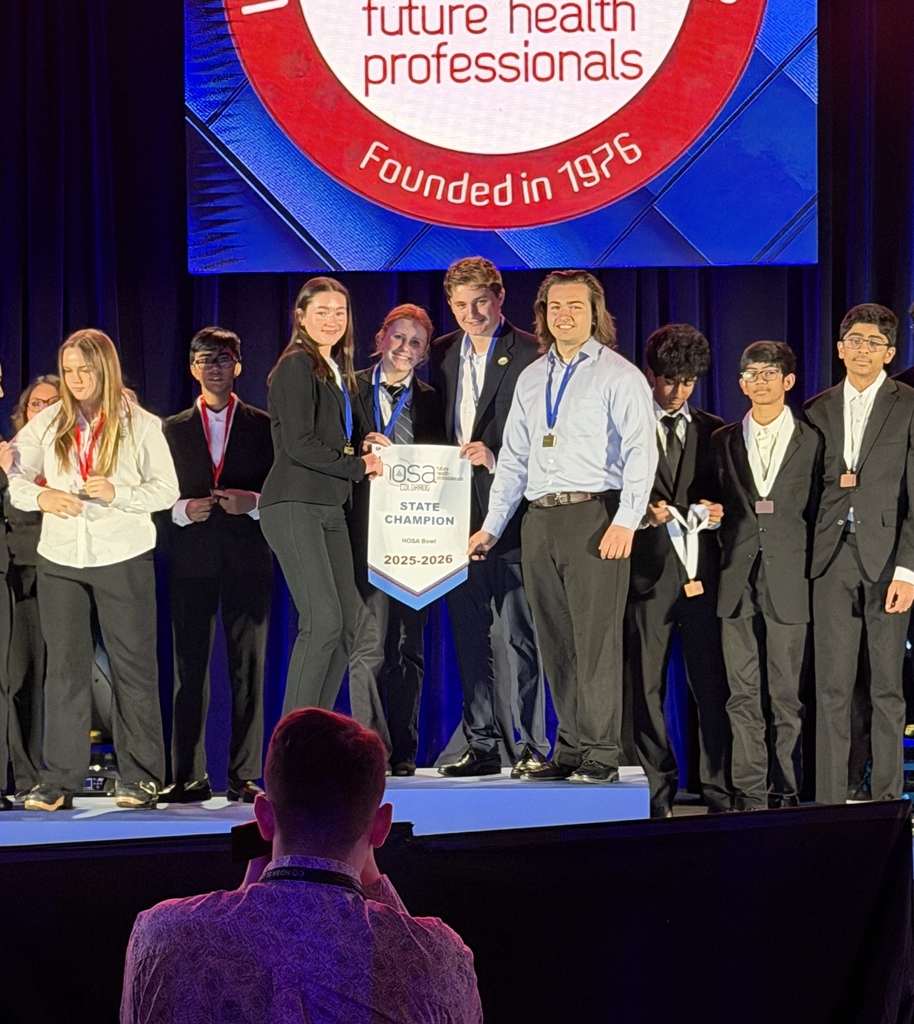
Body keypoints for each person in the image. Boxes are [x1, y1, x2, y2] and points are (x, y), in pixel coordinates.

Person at [121, 708, 483, 1023]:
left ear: (263, 817)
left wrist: (247, 892)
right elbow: (405, 958)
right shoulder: (439, 958)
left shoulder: (162, 934)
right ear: (381, 826)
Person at [469, 270, 657, 783]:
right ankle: (571, 747)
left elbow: (643, 450)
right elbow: (513, 460)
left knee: (595, 640)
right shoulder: (532, 377)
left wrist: (627, 520)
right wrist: (491, 526)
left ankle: (601, 751)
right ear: (543, 313)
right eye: (555, 307)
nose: (564, 315)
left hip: (593, 516)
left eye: (575, 305)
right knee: (555, 639)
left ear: (596, 312)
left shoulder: (619, 375)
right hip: (539, 519)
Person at [8, 329, 179, 811]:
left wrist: (118, 494)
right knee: (63, 670)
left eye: (85, 369)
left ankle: (141, 776)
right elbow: (15, 473)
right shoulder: (50, 422)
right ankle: (58, 780)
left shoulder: (140, 423)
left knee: (133, 667)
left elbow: (166, 490)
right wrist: (41, 495)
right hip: (61, 554)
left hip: (121, 551)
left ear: (105, 368)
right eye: (68, 370)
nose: (76, 379)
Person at [429, 256, 548, 778]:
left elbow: (550, 436)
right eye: (460, 305)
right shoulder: (439, 356)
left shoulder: (532, 353)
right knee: (470, 632)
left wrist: (496, 456)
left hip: (516, 515)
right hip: (453, 514)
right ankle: (482, 743)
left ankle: (531, 743)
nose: (471, 313)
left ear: (500, 299)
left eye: (481, 302)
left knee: (520, 634)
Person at [804, 304, 914, 804]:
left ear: (889, 352)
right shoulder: (816, 408)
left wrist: (908, 569)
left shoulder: (908, 404)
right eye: (854, 340)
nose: (862, 350)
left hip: (889, 558)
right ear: (840, 347)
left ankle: (888, 801)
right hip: (829, 558)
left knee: (887, 688)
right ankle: (830, 802)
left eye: (873, 343)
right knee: (832, 688)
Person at [159, 327, 274, 804]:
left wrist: (254, 503)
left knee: (249, 669)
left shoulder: (266, 425)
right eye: (204, 359)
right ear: (191, 368)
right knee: (189, 671)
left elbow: (286, 493)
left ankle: (244, 776)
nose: (213, 367)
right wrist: (180, 511)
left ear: (238, 366)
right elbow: (151, 495)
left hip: (248, 559)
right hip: (191, 561)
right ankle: (186, 775)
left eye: (223, 358)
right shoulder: (169, 429)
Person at [260, 278, 382, 714]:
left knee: (348, 624)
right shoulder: (296, 364)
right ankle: (292, 744)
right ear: (301, 317)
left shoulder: (334, 368)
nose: (332, 320)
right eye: (322, 312)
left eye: (340, 312)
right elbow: (299, 443)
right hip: (295, 503)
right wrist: (358, 466)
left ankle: (318, 730)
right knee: (323, 620)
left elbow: (335, 435)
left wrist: (364, 441)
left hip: (330, 506)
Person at [625, 325, 731, 817]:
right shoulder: (629, 424)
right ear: (651, 374)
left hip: (704, 577)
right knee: (645, 689)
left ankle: (718, 791)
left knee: (712, 687)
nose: (677, 391)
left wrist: (718, 509)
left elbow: (733, 493)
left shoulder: (716, 429)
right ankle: (656, 793)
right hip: (646, 576)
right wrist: (644, 511)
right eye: (669, 380)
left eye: (688, 382)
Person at [712, 342, 821, 810]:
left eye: (769, 372)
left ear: (788, 381)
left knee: (786, 697)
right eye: (751, 373)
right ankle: (750, 793)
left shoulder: (813, 439)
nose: (759, 381)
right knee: (741, 696)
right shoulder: (723, 441)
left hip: (791, 580)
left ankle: (787, 791)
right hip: (736, 579)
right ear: (740, 384)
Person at [349, 305, 446, 776]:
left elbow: (443, 469)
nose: (404, 349)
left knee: (408, 645)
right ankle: (370, 751)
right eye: (398, 337)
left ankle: (403, 752)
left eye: (415, 343)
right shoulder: (348, 389)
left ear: (425, 353)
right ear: (381, 336)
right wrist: (356, 451)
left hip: (415, 538)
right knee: (367, 646)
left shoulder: (432, 401)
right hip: (360, 533)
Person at [3, 375, 60, 801]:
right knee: (14, 675)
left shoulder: (70, 458)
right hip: (13, 574)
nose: (43, 409)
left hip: (55, 573)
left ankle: (30, 775)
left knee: (40, 678)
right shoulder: (9, 456)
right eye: (36, 403)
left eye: (52, 403)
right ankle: (16, 774)